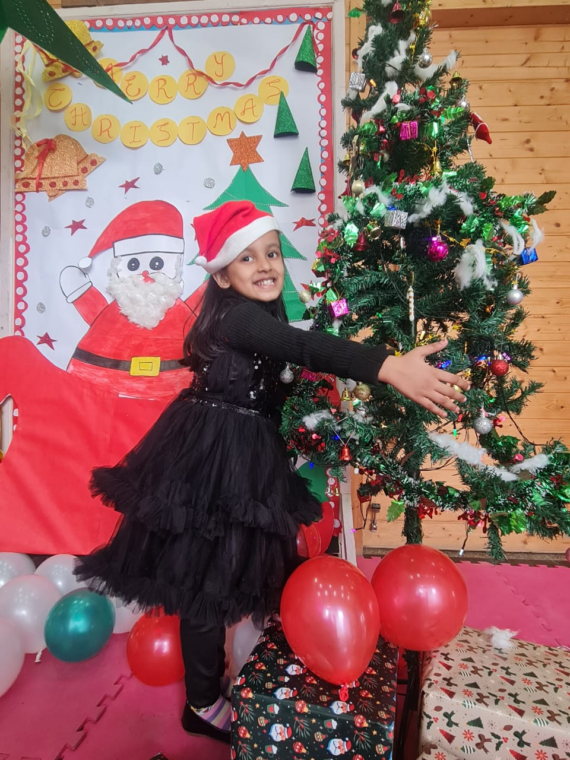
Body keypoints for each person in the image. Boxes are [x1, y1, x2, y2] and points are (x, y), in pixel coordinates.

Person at [75, 201, 469, 745]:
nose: (266, 265)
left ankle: (260, 676)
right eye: (247, 258)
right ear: (221, 273)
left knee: (245, 569)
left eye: (272, 252)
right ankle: (202, 700)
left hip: (248, 449)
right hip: (212, 454)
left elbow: (290, 361)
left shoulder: (265, 316)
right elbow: (307, 347)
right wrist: (388, 366)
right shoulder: (237, 317)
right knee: (205, 582)